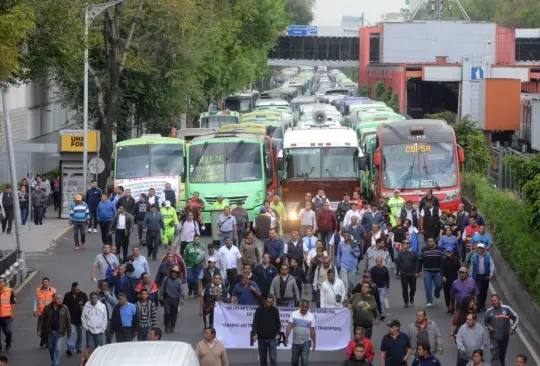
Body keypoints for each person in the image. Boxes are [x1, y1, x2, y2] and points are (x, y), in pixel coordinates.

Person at [484, 294, 520, 366]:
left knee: (501, 357)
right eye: (492, 301)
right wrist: (489, 327)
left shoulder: (507, 309)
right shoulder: (489, 311)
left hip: (504, 338)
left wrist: (513, 328)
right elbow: (485, 322)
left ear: (499, 300)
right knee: (494, 356)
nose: (494, 302)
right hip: (493, 338)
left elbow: (516, 317)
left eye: (495, 300)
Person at [40, 293, 71, 366]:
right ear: (53, 299)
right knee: (51, 348)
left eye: (60, 298)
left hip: (60, 332)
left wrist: (69, 332)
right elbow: (42, 320)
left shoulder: (64, 308)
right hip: (50, 332)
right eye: (57, 298)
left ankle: (56, 363)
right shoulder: (47, 308)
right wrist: (40, 330)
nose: (60, 300)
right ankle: (53, 359)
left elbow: (68, 320)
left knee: (57, 348)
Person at [252, 295, 281, 366]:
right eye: (268, 302)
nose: (269, 304)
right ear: (264, 301)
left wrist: (278, 333)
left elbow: (278, 323)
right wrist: (254, 334)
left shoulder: (275, 310)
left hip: (272, 337)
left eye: (271, 302)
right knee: (262, 358)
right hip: (261, 337)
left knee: (273, 358)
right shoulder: (259, 310)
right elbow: (255, 322)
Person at [285, 300, 316, 366]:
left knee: (304, 361)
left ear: (308, 307)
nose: (304, 308)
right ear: (300, 306)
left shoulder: (311, 316)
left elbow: (312, 331)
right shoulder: (294, 314)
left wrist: (314, 342)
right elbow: (289, 326)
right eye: (303, 306)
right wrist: (286, 338)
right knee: (294, 361)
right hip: (295, 342)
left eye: (306, 307)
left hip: (306, 342)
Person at [62, 282, 88, 356]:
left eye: (78, 289)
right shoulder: (67, 295)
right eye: (75, 289)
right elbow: (64, 306)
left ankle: (78, 347)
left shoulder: (83, 295)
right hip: (71, 319)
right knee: (71, 333)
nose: (77, 291)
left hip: (80, 319)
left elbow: (87, 306)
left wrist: (83, 308)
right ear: (72, 289)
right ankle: (70, 349)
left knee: (80, 335)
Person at [468, 243, 495, 312]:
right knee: (478, 291)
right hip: (477, 276)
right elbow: (471, 267)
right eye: (479, 248)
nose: (480, 249)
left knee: (484, 291)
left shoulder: (488, 256)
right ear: (477, 249)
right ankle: (477, 306)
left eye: (481, 248)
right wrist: (471, 277)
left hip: (485, 276)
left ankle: (482, 305)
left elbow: (492, 265)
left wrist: (491, 274)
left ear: (483, 249)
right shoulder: (473, 257)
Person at [418, 237, 444, 307]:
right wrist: (419, 271)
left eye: (431, 241)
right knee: (428, 287)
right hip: (427, 271)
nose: (429, 242)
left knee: (439, 285)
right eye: (428, 241)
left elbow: (443, 261)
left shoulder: (440, 249)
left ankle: (437, 293)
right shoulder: (424, 250)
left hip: (437, 271)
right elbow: (420, 261)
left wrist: (444, 271)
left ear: (434, 242)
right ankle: (429, 301)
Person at [158, 265, 185, 333]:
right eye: (173, 272)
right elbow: (162, 288)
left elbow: (181, 290)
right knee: (167, 313)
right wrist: (160, 296)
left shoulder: (179, 281)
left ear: (178, 273)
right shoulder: (166, 279)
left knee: (174, 314)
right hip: (167, 299)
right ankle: (166, 326)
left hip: (175, 300)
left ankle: (172, 326)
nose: (174, 273)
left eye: (176, 272)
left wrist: (182, 298)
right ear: (171, 272)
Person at [395, 239, 419, 307]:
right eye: (403, 244)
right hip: (403, 273)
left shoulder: (414, 253)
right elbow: (398, 264)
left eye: (405, 244)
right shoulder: (400, 253)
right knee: (404, 289)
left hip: (412, 274)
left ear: (408, 245)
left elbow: (417, 262)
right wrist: (397, 273)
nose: (403, 245)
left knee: (413, 288)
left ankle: (411, 296)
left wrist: (417, 272)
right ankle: (406, 301)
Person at [34, 277, 56, 348]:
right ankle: (42, 338)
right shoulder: (38, 291)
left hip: (50, 313)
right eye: (43, 282)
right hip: (41, 313)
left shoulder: (53, 291)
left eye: (46, 282)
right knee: (40, 328)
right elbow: (36, 301)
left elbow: (55, 301)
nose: (45, 284)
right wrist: (34, 310)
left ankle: (47, 341)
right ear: (42, 283)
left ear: (49, 283)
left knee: (48, 328)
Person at [338, 231, 362, 296]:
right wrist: (338, 264)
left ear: (349, 236)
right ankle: (344, 296)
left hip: (352, 265)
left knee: (351, 282)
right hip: (344, 265)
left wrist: (354, 252)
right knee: (344, 282)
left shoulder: (354, 243)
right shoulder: (340, 244)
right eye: (344, 235)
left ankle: (349, 294)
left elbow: (358, 254)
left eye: (347, 235)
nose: (346, 237)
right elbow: (339, 254)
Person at [440, 247, 460, 313]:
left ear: (452, 252)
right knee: (446, 294)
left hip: (454, 280)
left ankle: (452, 307)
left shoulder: (456, 259)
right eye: (447, 252)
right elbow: (441, 270)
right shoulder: (443, 260)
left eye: (450, 252)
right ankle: (448, 306)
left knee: (453, 294)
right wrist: (443, 276)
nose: (448, 253)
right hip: (446, 280)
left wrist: (461, 277)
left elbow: (459, 269)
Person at [0, 277, 16, 352]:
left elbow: (13, 303)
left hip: (7, 316)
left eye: (1, 282)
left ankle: (8, 341)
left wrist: (13, 313)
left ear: (5, 283)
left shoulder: (10, 291)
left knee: (7, 331)